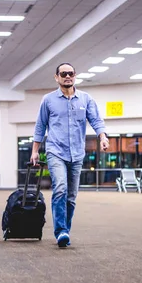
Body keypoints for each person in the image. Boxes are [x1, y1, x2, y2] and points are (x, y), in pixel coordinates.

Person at [31, 62, 108, 248]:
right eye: (63, 73)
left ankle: (65, 230)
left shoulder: (85, 99)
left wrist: (103, 137)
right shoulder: (48, 100)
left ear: (75, 76)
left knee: (71, 196)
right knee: (60, 189)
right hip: (55, 151)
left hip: (77, 154)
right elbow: (40, 126)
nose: (68, 76)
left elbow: (96, 120)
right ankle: (60, 231)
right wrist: (35, 151)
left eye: (71, 73)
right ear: (56, 77)